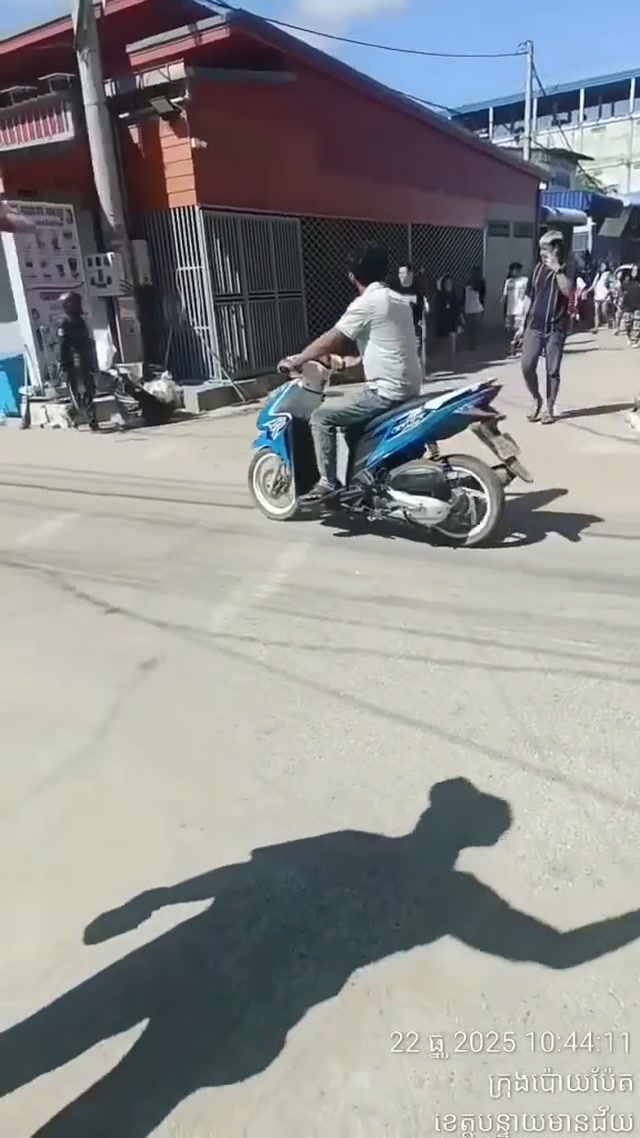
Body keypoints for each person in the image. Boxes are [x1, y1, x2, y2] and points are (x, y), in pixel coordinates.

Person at [278, 244, 422, 501]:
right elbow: (387, 347)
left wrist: (297, 360)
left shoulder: (366, 303)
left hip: (385, 391)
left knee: (322, 417)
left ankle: (327, 483)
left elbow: (332, 338)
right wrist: (345, 364)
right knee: (353, 428)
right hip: (408, 386)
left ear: (352, 276)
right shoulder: (398, 301)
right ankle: (366, 481)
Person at [520, 230, 576, 425]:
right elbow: (529, 296)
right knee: (527, 365)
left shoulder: (568, 268)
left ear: (556, 249)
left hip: (556, 327)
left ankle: (550, 408)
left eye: (546, 248)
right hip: (534, 325)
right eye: (540, 248)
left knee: (552, 370)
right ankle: (536, 398)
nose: (542, 253)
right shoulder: (536, 269)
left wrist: (557, 269)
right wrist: (521, 323)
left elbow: (567, 291)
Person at [57, 291, 99, 431]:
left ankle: (92, 420)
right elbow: (63, 344)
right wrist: (63, 363)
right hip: (72, 361)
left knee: (89, 390)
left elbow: (87, 340)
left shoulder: (81, 321)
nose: (77, 305)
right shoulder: (65, 323)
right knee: (77, 392)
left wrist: (92, 360)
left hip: (85, 358)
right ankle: (73, 413)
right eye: (73, 302)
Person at [433, 276, 462, 370]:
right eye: (446, 284)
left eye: (450, 283)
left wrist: (459, 322)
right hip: (443, 324)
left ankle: (451, 365)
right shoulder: (439, 296)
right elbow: (437, 310)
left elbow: (457, 310)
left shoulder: (454, 296)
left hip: (452, 323)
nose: (448, 285)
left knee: (452, 345)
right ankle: (443, 365)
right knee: (443, 346)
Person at [502, 262, 529, 353]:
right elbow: (505, 295)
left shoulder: (525, 280)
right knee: (510, 329)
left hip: (520, 308)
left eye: (516, 270)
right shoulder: (509, 281)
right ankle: (514, 343)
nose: (514, 272)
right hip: (510, 309)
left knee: (519, 328)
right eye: (513, 270)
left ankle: (514, 344)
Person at [463, 269, 484, 350]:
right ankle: (472, 344)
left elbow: (482, 294)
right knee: (472, 328)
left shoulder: (479, 284)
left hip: (474, 308)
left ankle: (473, 344)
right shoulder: (469, 284)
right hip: (472, 308)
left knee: (473, 328)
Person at [620, 264, 640, 348]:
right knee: (628, 324)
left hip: (638, 305)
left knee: (637, 325)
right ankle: (629, 337)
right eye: (633, 270)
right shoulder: (626, 282)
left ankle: (635, 340)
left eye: (636, 270)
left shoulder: (638, 282)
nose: (635, 272)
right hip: (628, 306)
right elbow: (622, 293)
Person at [590, 261, 613, 331]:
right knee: (596, 312)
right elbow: (593, 285)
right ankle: (596, 326)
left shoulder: (608, 274)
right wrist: (587, 291)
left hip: (605, 296)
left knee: (604, 311)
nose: (602, 267)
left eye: (604, 266)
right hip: (597, 296)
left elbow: (612, 284)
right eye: (601, 266)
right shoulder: (598, 275)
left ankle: (609, 321)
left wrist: (609, 291)